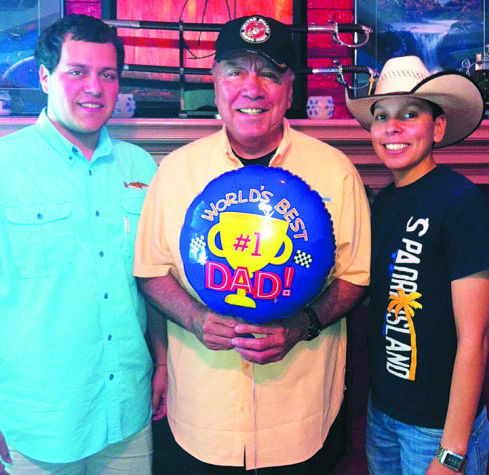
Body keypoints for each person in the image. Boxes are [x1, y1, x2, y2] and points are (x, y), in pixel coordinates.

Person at [134, 15, 371, 473]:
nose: (252, 87)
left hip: (300, 423)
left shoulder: (335, 171)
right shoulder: (176, 171)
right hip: (204, 423)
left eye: (268, 72)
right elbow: (150, 270)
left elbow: (356, 277)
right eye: (235, 70)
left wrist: (302, 325)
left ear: (288, 87)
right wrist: (196, 317)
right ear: (216, 82)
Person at [0, 14, 158, 474]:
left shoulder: (143, 168)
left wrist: (163, 362)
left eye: (107, 74)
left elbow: (152, 281)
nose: (94, 87)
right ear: (45, 76)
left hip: (128, 410)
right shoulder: (5, 165)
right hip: (38, 418)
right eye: (77, 71)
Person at [345, 56, 489, 474]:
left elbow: (476, 337)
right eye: (381, 116)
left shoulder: (461, 202)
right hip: (384, 415)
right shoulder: (381, 203)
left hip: (436, 428)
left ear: (438, 127)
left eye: (409, 114)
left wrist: (451, 453)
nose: (391, 128)